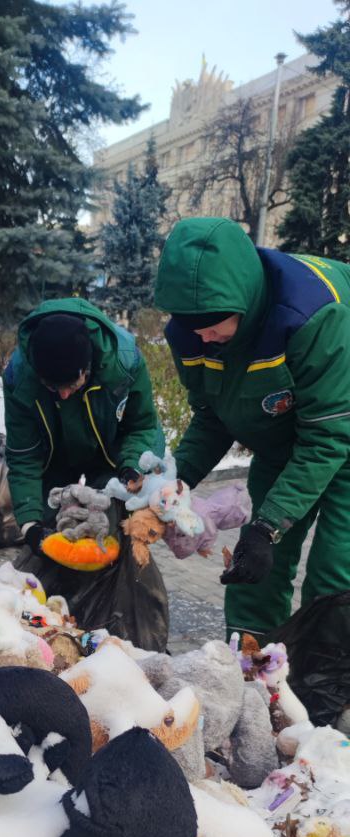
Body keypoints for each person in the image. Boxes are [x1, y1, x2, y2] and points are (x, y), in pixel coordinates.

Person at [154, 215, 350, 639]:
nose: (203, 336)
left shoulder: (312, 315)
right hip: (287, 436)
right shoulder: (193, 331)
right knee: (254, 561)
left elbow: (327, 438)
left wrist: (269, 525)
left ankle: (324, 684)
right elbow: (212, 416)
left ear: (243, 300)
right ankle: (249, 665)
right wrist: (174, 482)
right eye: (193, 326)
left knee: (336, 567)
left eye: (213, 324)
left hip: (340, 424)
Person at [2, 298, 165, 553]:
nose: (64, 394)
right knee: (55, 534)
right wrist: (30, 525)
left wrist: (132, 468)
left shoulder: (124, 362)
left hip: (114, 456)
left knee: (106, 531)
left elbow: (141, 426)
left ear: (86, 368)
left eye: (71, 384)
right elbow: (24, 456)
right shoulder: (19, 378)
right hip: (54, 459)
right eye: (53, 387)